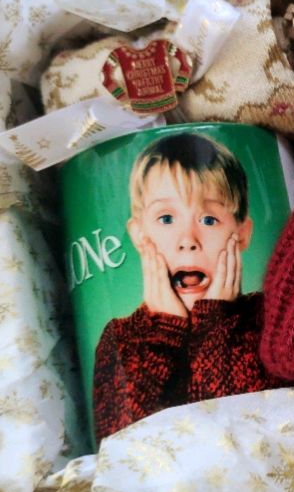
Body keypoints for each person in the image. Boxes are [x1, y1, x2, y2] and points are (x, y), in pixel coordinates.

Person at [92, 131, 278, 441]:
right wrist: (163, 329)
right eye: (166, 219)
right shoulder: (121, 338)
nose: (188, 240)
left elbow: (248, 436)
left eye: (209, 220)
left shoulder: (269, 316)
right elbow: (126, 449)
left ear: (242, 234)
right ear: (139, 235)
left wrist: (215, 323)